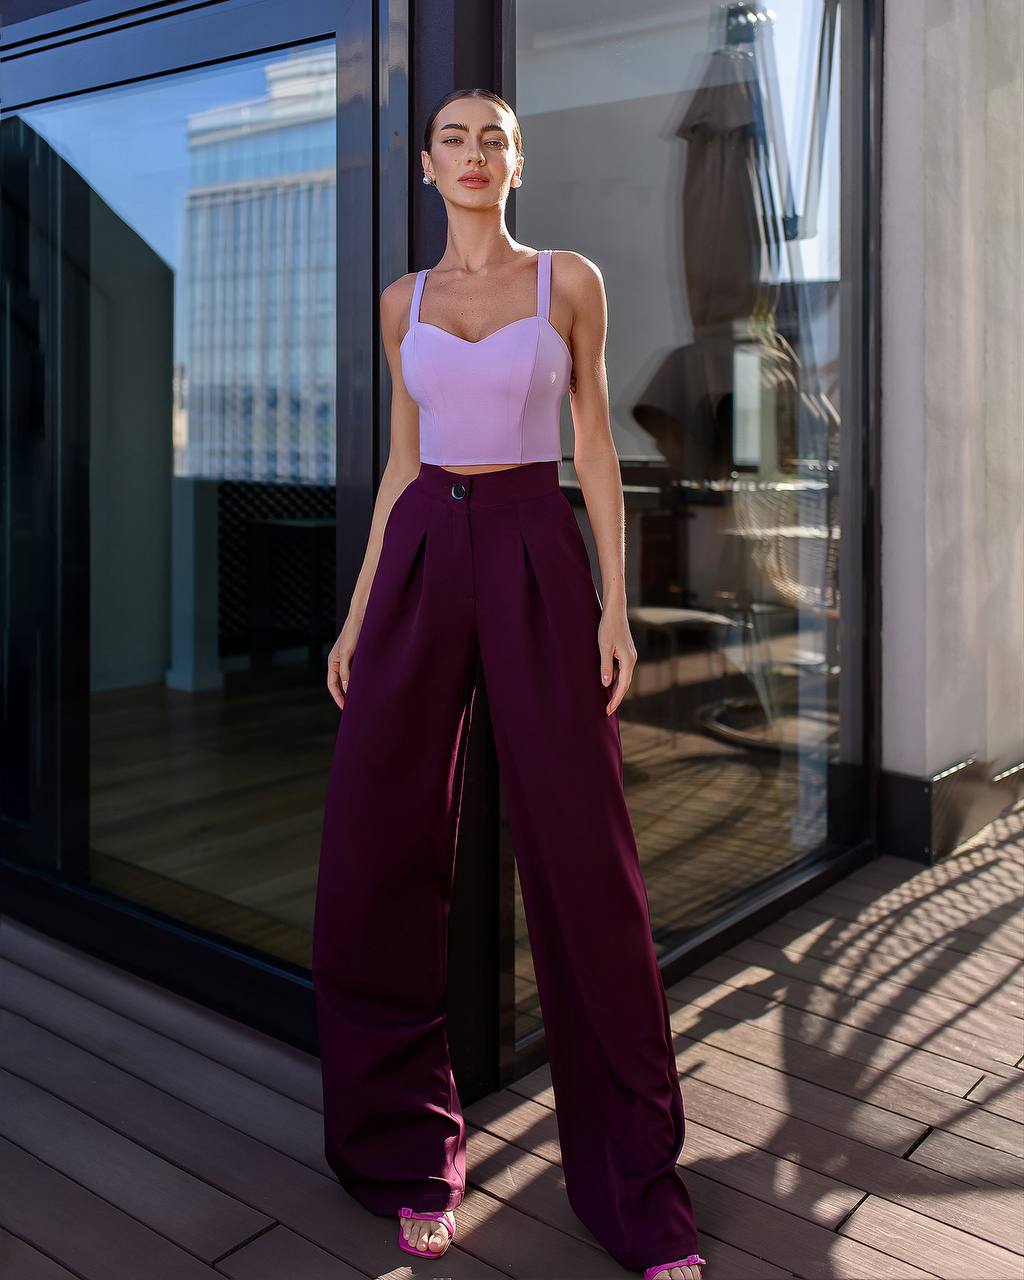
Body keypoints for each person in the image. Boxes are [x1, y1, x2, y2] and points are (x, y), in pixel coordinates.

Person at [311, 87, 707, 1280]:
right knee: (379, 843)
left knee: (584, 860)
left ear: (516, 162)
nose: (474, 154)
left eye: (494, 138)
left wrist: (613, 602)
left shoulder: (567, 281)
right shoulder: (402, 304)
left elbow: (592, 441)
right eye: (454, 139)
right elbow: (402, 461)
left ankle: (633, 1185)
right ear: (425, 166)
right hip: (427, 546)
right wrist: (356, 605)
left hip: (536, 544)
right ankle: (403, 1153)